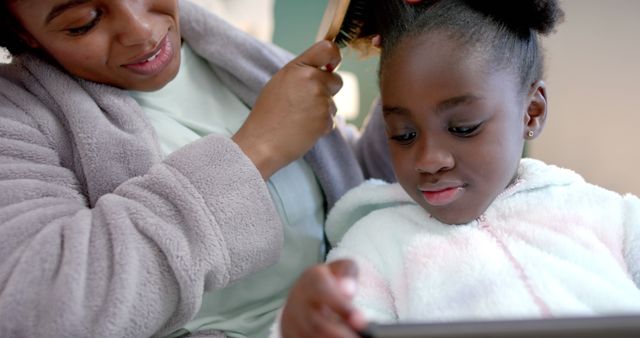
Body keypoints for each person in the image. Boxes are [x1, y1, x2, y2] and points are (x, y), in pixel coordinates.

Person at [0, 0, 395, 337]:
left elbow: (355, 191)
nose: (140, 30)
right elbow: (43, 308)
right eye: (84, 21)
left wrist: (406, 70)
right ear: (24, 31)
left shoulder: (227, 54)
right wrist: (258, 149)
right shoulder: (16, 120)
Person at [276, 1, 640, 337]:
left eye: (463, 128)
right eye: (404, 135)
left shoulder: (612, 217)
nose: (428, 159)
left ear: (532, 112)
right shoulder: (374, 246)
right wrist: (304, 324)